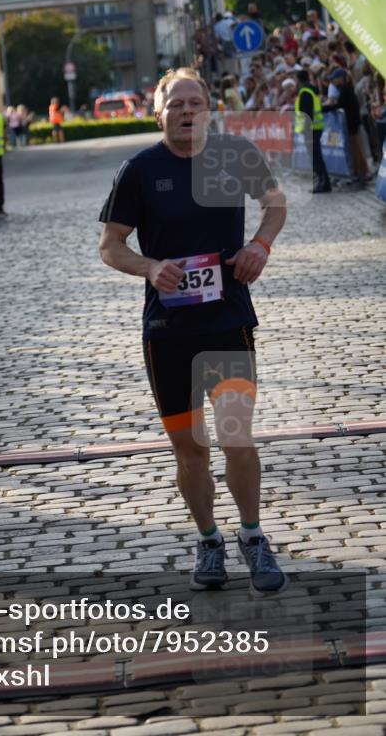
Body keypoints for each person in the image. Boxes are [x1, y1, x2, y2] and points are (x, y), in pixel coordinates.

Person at [98, 67, 288, 594]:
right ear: (158, 113)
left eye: (196, 102)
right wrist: (149, 268)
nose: (187, 111)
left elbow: (275, 205)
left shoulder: (236, 155)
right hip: (167, 330)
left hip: (228, 320)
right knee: (191, 451)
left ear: (209, 109)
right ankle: (208, 540)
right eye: (176, 104)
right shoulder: (139, 170)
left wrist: (259, 246)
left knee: (238, 440)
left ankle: (252, 536)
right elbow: (111, 245)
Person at [294, 69, 331, 193]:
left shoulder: (305, 92)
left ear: (298, 79)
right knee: (316, 157)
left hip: (311, 130)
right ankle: (323, 182)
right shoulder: (309, 90)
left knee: (316, 157)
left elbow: (307, 114)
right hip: (315, 128)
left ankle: (323, 183)